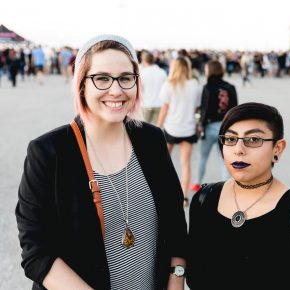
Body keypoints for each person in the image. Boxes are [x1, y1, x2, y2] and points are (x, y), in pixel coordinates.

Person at [16, 35, 187, 290]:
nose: (116, 90)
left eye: (126, 78)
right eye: (102, 78)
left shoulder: (151, 140)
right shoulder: (49, 152)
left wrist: (176, 278)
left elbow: (175, 223)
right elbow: (37, 252)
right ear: (82, 85)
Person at [186, 102, 290, 289]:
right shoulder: (204, 199)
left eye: (254, 140)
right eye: (231, 139)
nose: (239, 149)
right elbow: (194, 276)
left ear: (277, 149)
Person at [157, 56, 201, 206]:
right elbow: (197, 107)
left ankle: (161, 191)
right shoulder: (195, 84)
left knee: (162, 161)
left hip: (171, 128)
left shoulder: (168, 85)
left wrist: (158, 127)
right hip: (188, 129)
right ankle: (183, 198)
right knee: (185, 164)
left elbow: (164, 109)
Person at [190, 60, 237, 192]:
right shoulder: (231, 87)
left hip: (210, 126)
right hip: (226, 128)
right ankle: (226, 186)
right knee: (223, 158)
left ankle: (197, 183)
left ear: (210, 71)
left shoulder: (208, 87)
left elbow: (205, 109)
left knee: (203, 157)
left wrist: (201, 125)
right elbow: (235, 109)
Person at [140, 50, 167, 125]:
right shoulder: (162, 72)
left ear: (144, 60)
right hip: (159, 104)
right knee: (157, 130)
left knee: (144, 129)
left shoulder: (142, 73)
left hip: (146, 104)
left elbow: (140, 90)